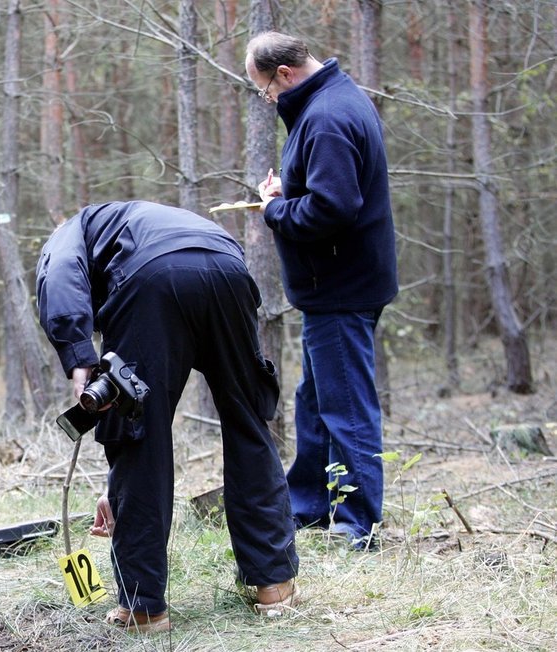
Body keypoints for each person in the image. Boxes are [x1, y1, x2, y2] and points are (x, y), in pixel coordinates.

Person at [36, 200, 299, 632]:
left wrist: (78, 356)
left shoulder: (73, 227)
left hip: (151, 281)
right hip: (230, 270)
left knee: (139, 434)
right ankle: (274, 587)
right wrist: (113, 490)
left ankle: (143, 608)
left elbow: (59, 270)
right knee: (248, 425)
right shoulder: (145, 218)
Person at [245, 32, 398, 549]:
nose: (269, 100)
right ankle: (307, 504)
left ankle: (360, 526)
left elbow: (333, 209)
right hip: (339, 284)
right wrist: (291, 189)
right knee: (315, 400)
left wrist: (275, 211)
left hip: (341, 287)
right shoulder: (337, 98)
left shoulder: (328, 116)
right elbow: (332, 186)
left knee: (347, 407)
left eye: (266, 90)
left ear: (284, 74)